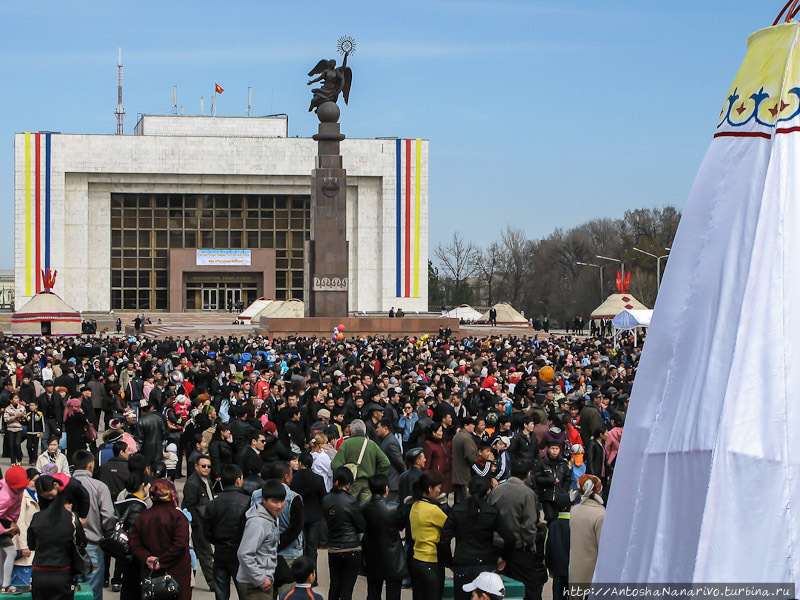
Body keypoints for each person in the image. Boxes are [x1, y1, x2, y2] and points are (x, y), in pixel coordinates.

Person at [441, 476, 515, 600]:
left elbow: (444, 539)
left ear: (468, 490)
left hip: (463, 563)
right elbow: (510, 538)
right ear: (488, 491)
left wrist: (449, 562)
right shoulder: (492, 512)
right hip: (487, 562)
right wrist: (504, 557)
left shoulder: (457, 510)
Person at [488, 459, 544, 600]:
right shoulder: (527, 493)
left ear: (510, 472)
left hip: (496, 546)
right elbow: (530, 525)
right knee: (526, 589)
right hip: (520, 549)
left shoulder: (496, 491)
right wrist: (529, 546)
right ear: (528, 475)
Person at [129, 479, 191, 600]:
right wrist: (162, 561)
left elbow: (134, 542)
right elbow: (180, 544)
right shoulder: (178, 517)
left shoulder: (143, 517)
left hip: (150, 574)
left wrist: (147, 558)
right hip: (176, 574)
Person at [28, 475, 87, 600]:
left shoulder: (37, 518)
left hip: (40, 573)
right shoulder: (71, 518)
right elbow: (82, 543)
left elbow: (31, 544)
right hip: (63, 573)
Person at [71, 450, 117, 600]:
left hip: (66, 547)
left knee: (71, 591)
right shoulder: (99, 487)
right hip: (92, 544)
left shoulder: (63, 485)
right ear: (91, 465)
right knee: (92, 592)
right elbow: (108, 516)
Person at [204, 464, 251, 600]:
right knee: (244, 591)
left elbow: (206, 531)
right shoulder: (247, 502)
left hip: (220, 551)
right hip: (239, 553)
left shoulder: (213, 503)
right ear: (238, 480)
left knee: (221, 592)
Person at [320, 467, 366, 600]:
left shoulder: (326, 499)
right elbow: (361, 525)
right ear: (348, 483)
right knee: (347, 588)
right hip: (351, 547)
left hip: (333, 547)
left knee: (334, 585)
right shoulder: (350, 501)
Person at [236, 480, 285, 600]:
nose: (279, 506)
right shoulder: (257, 523)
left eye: (282, 501)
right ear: (264, 500)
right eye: (274, 501)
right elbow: (244, 553)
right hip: (253, 585)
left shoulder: (272, 517)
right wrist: (260, 579)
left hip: (262, 581)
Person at [361, 474, 408, 600]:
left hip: (372, 555)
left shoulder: (363, 508)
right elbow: (401, 525)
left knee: (373, 592)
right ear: (386, 489)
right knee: (393, 594)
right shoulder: (395, 508)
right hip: (393, 556)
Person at [408, 470, 448, 600]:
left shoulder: (415, 505)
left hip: (416, 560)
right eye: (438, 487)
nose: (440, 490)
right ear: (430, 488)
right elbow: (451, 524)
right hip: (431, 561)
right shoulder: (432, 510)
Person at [330, 419, 389, 503]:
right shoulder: (372, 444)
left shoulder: (346, 444)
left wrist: (345, 477)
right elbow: (385, 463)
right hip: (368, 483)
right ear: (364, 431)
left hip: (352, 483)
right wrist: (376, 474)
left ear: (351, 431)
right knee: (365, 508)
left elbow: (335, 465)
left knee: (350, 506)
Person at [181, 453, 216, 593]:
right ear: (196, 466)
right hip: (198, 524)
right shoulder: (193, 483)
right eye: (203, 466)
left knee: (203, 553)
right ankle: (212, 583)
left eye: (209, 466)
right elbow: (189, 506)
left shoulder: (206, 480)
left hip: (206, 522)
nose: (206, 469)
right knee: (205, 553)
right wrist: (197, 524)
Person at [114, 471, 151, 599]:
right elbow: (136, 536)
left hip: (125, 557)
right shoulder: (137, 507)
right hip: (135, 559)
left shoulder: (125, 503)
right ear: (142, 485)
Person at [289, 453, 326, 581]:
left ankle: (299, 575)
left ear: (300, 463)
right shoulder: (318, 479)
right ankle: (312, 576)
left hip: (299, 516)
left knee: (299, 546)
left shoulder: (293, 478)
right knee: (312, 547)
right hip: (315, 517)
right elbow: (323, 497)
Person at [569, 474, 605, 598]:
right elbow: (603, 549)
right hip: (592, 574)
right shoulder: (601, 514)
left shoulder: (574, 511)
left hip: (575, 571)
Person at [0, 467, 30, 593]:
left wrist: (14, 524)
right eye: (19, 488)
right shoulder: (5, 497)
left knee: (2, 554)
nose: (21, 491)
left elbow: (15, 511)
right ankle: (6, 584)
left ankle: (2, 583)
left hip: (7, 522)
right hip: (2, 524)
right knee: (11, 552)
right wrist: (3, 530)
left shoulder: (16, 489)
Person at [11, 468, 40, 589]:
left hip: (34, 544)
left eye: (37, 481)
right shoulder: (22, 496)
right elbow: (20, 522)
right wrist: (24, 546)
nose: (34, 483)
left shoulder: (37, 495)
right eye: (32, 480)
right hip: (23, 545)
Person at [534, 441, 571, 523]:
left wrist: (563, 490)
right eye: (552, 448)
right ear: (548, 450)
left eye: (556, 449)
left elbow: (567, 479)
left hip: (559, 495)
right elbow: (537, 478)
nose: (554, 451)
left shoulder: (563, 463)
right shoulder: (542, 463)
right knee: (550, 517)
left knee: (558, 516)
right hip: (546, 495)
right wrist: (551, 480)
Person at [544, 494, 571, 600]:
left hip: (557, 570)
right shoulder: (574, 524)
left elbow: (547, 549)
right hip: (573, 570)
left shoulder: (552, 526)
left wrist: (549, 567)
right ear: (570, 507)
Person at [376, 419, 406, 502]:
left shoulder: (390, 442)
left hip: (393, 483)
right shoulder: (386, 440)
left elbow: (400, 463)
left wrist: (404, 478)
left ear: (385, 428)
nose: (376, 430)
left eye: (378, 427)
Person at [451, 417, 477, 504]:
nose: (474, 426)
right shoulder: (466, 438)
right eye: (472, 424)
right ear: (465, 426)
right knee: (466, 499)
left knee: (458, 498)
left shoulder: (457, 436)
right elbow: (469, 456)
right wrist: (476, 465)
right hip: (465, 472)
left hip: (457, 472)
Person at [422, 423, 452, 497]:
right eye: (439, 431)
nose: (441, 433)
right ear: (433, 433)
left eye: (442, 431)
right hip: (436, 476)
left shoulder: (443, 441)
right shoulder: (428, 444)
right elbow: (427, 462)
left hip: (447, 474)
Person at [63, 399, 89, 466]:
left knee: (71, 452)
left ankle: (71, 464)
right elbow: (84, 422)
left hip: (70, 437)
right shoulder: (78, 414)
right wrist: (82, 413)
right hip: (79, 437)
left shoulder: (67, 414)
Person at [4, 394, 27, 466]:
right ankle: (13, 460)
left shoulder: (22, 408)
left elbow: (25, 417)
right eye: (15, 398)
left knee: (17, 444)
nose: (17, 400)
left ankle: (19, 458)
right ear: (11, 400)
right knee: (11, 445)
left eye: (18, 398)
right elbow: (6, 419)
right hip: (10, 428)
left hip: (19, 428)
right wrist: (14, 417)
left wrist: (22, 416)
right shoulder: (7, 409)